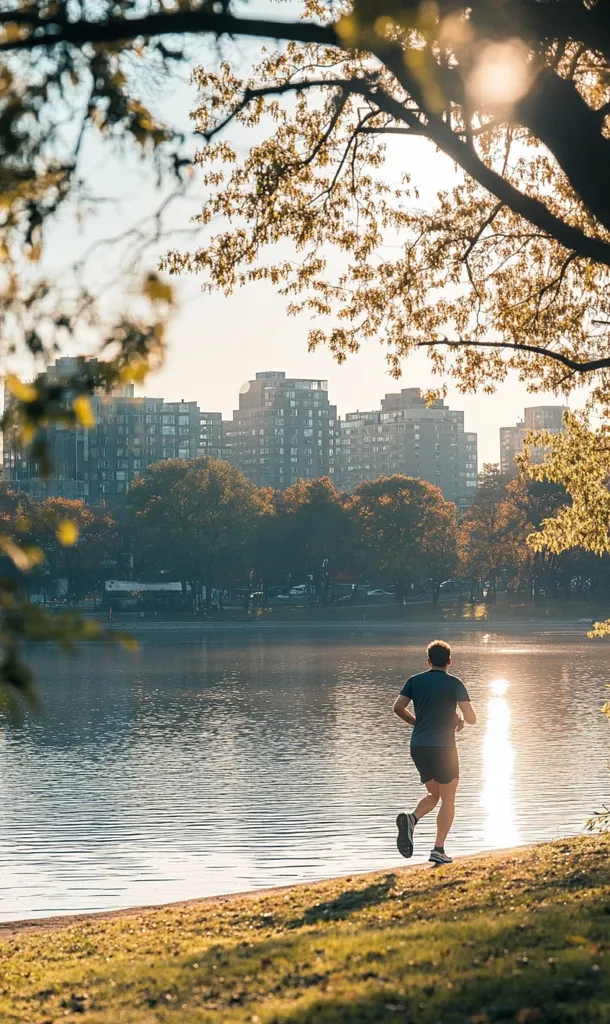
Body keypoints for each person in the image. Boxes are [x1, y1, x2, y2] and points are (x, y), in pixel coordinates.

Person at [393, 639, 476, 865]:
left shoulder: (414, 681)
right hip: (444, 748)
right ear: (449, 661)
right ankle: (438, 849)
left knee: (434, 794)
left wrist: (417, 723)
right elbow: (472, 718)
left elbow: (398, 707)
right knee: (448, 799)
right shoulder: (455, 683)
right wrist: (458, 719)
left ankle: (412, 819)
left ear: (428, 661)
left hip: (418, 747)